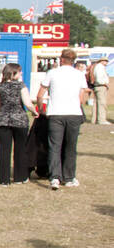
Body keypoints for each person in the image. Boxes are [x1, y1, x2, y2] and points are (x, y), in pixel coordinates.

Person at [37, 48, 90, 189]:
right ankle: (69, 177)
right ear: (73, 61)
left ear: (61, 59)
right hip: (73, 113)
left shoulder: (52, 73)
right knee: (71, 146)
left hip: (56, 113)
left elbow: (40, 93)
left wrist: (41, 109)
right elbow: (82, 96)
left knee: (54, 146)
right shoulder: (79, 75)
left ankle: (55, 177)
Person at [0, 62, 37, 185]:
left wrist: (3, 111)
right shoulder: (21, 86)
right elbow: (27, 103)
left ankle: (4, 180)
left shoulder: (0, 86)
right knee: (20, 149)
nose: (21, 73)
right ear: (13, 73)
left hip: (3, 121)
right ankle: (20, 177)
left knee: (4, 150)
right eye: (19, 71)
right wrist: (34, 112)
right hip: (20, 120)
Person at [88, 58, 109, 125]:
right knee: (102, 103)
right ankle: (101, 119)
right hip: (101, 86)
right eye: (105, 61)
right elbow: (99, 78)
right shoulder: (100, 67)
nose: (106, 62)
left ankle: (94, 119)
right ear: (102, 61)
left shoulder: (96, 67)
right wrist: (104, 83)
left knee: (96, 103)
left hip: (97, 86)